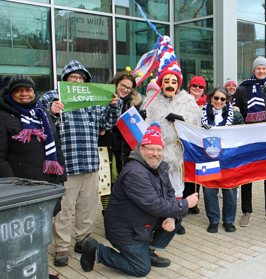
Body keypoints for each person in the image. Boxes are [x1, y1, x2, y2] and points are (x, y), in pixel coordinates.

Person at [79, 123, 199, 276]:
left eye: (159, 150)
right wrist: (185, 204)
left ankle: (147, 251)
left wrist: (171, 216)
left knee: (177, 215)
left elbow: (169, 192)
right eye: (150, 149)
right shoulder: (135, 173)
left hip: (142, 223)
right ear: (141, 149)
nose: (155, 153)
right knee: (141, 269)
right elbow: (154, 205)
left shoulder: (160, 166)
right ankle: (98, 251)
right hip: (125, 230)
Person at [40, 60, 122, 266]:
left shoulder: (92, 101)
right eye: (73, 77)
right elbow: (39, 107)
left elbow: (106, 123)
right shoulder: (54, 95)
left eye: (81, 78)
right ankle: (61, 247)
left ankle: (82, 240)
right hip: (67, 164)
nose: (77, 80)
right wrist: (50, 107)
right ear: (65, 80)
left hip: (90, 163)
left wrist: (115, 106)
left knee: (88, 207)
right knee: (64, 208)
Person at [141, 36, 201, 235]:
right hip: (157, 153)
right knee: (158, 188)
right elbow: (143, 127)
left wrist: (181, 119)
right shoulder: (151, 101)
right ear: (161, 82)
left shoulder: (188, 101)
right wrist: (141, 117)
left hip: (177, 152)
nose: (170, 84)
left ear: (178, 84)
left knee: (176, 187)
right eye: (166, 80)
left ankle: (177, 219)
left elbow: (196, 123)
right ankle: (159, 220)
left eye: (173, 81)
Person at [0, 74, 67, 213]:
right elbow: (0, 157)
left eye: (28, 90)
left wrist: (61, 177)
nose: (24, 94)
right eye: (18, 90)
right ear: (11, 93)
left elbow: (56, 145)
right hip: (22, 186)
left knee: (45, 222)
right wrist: (12, 184)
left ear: (33, 92)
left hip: (49, 181)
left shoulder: (42, 113)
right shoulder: (3, 116)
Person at [233, 56, 266, 227]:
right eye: (258, 68)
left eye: (264, 68)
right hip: (249, 140)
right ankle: (247, 211)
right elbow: (236, 114)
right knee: (247, 175)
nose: (261, 71)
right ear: (253, 71)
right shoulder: (242, 89)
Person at [201, 87, 244, 233]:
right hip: (208, 157)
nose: (219, 101)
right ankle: (213, 220)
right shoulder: (200, 114)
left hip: (229, 159)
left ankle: (228, 220)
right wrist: (201, 128)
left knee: (230, 190)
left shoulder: (236, 116)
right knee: (209, 190)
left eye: (222, 99)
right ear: (211, 98)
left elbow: (242, 134)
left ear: (227, 100)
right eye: (216, 98)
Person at [99, 72, 143, 215]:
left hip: (125, 149)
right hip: (106, 146)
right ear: (116, 84)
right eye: (123, 86)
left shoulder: (133, 104)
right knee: (106, 182)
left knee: (124, 182)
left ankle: (122, 215)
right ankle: (108, 214)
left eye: (129, 88)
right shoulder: (103, 100)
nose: (125, 90)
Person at [183, 75, 207, 212]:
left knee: (200, 175)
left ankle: (195, 201)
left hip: (201, 144)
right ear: (190, 86)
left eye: (200, 86)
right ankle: (186, 202)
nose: (197, 88)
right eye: (194, 85)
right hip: (186, 143)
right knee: (187, 173)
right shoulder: (182, 101)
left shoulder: (207, 104)